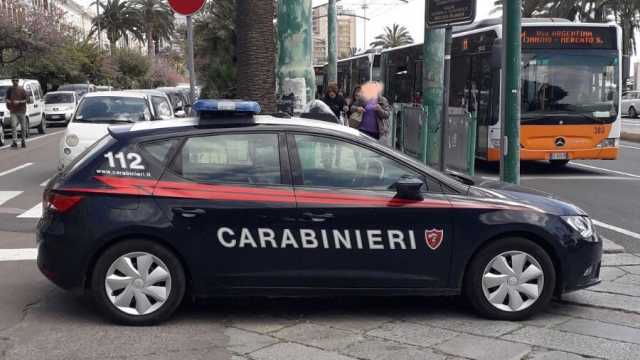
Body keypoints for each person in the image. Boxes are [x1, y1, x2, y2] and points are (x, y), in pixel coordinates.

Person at [5, 77, 28, 149]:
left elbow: (27, 99)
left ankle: (23, 141)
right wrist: (7, 101)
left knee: (23, 127)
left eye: (16, 80)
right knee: (13, 126)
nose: (15, 82)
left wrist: (19, 102)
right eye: (14, 80)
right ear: (12, 81)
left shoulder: (22, 89)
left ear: (18, 81)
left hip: (21, 110)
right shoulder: (10, 89)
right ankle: (14, 142)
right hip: (13, 111)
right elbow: (6, 98)